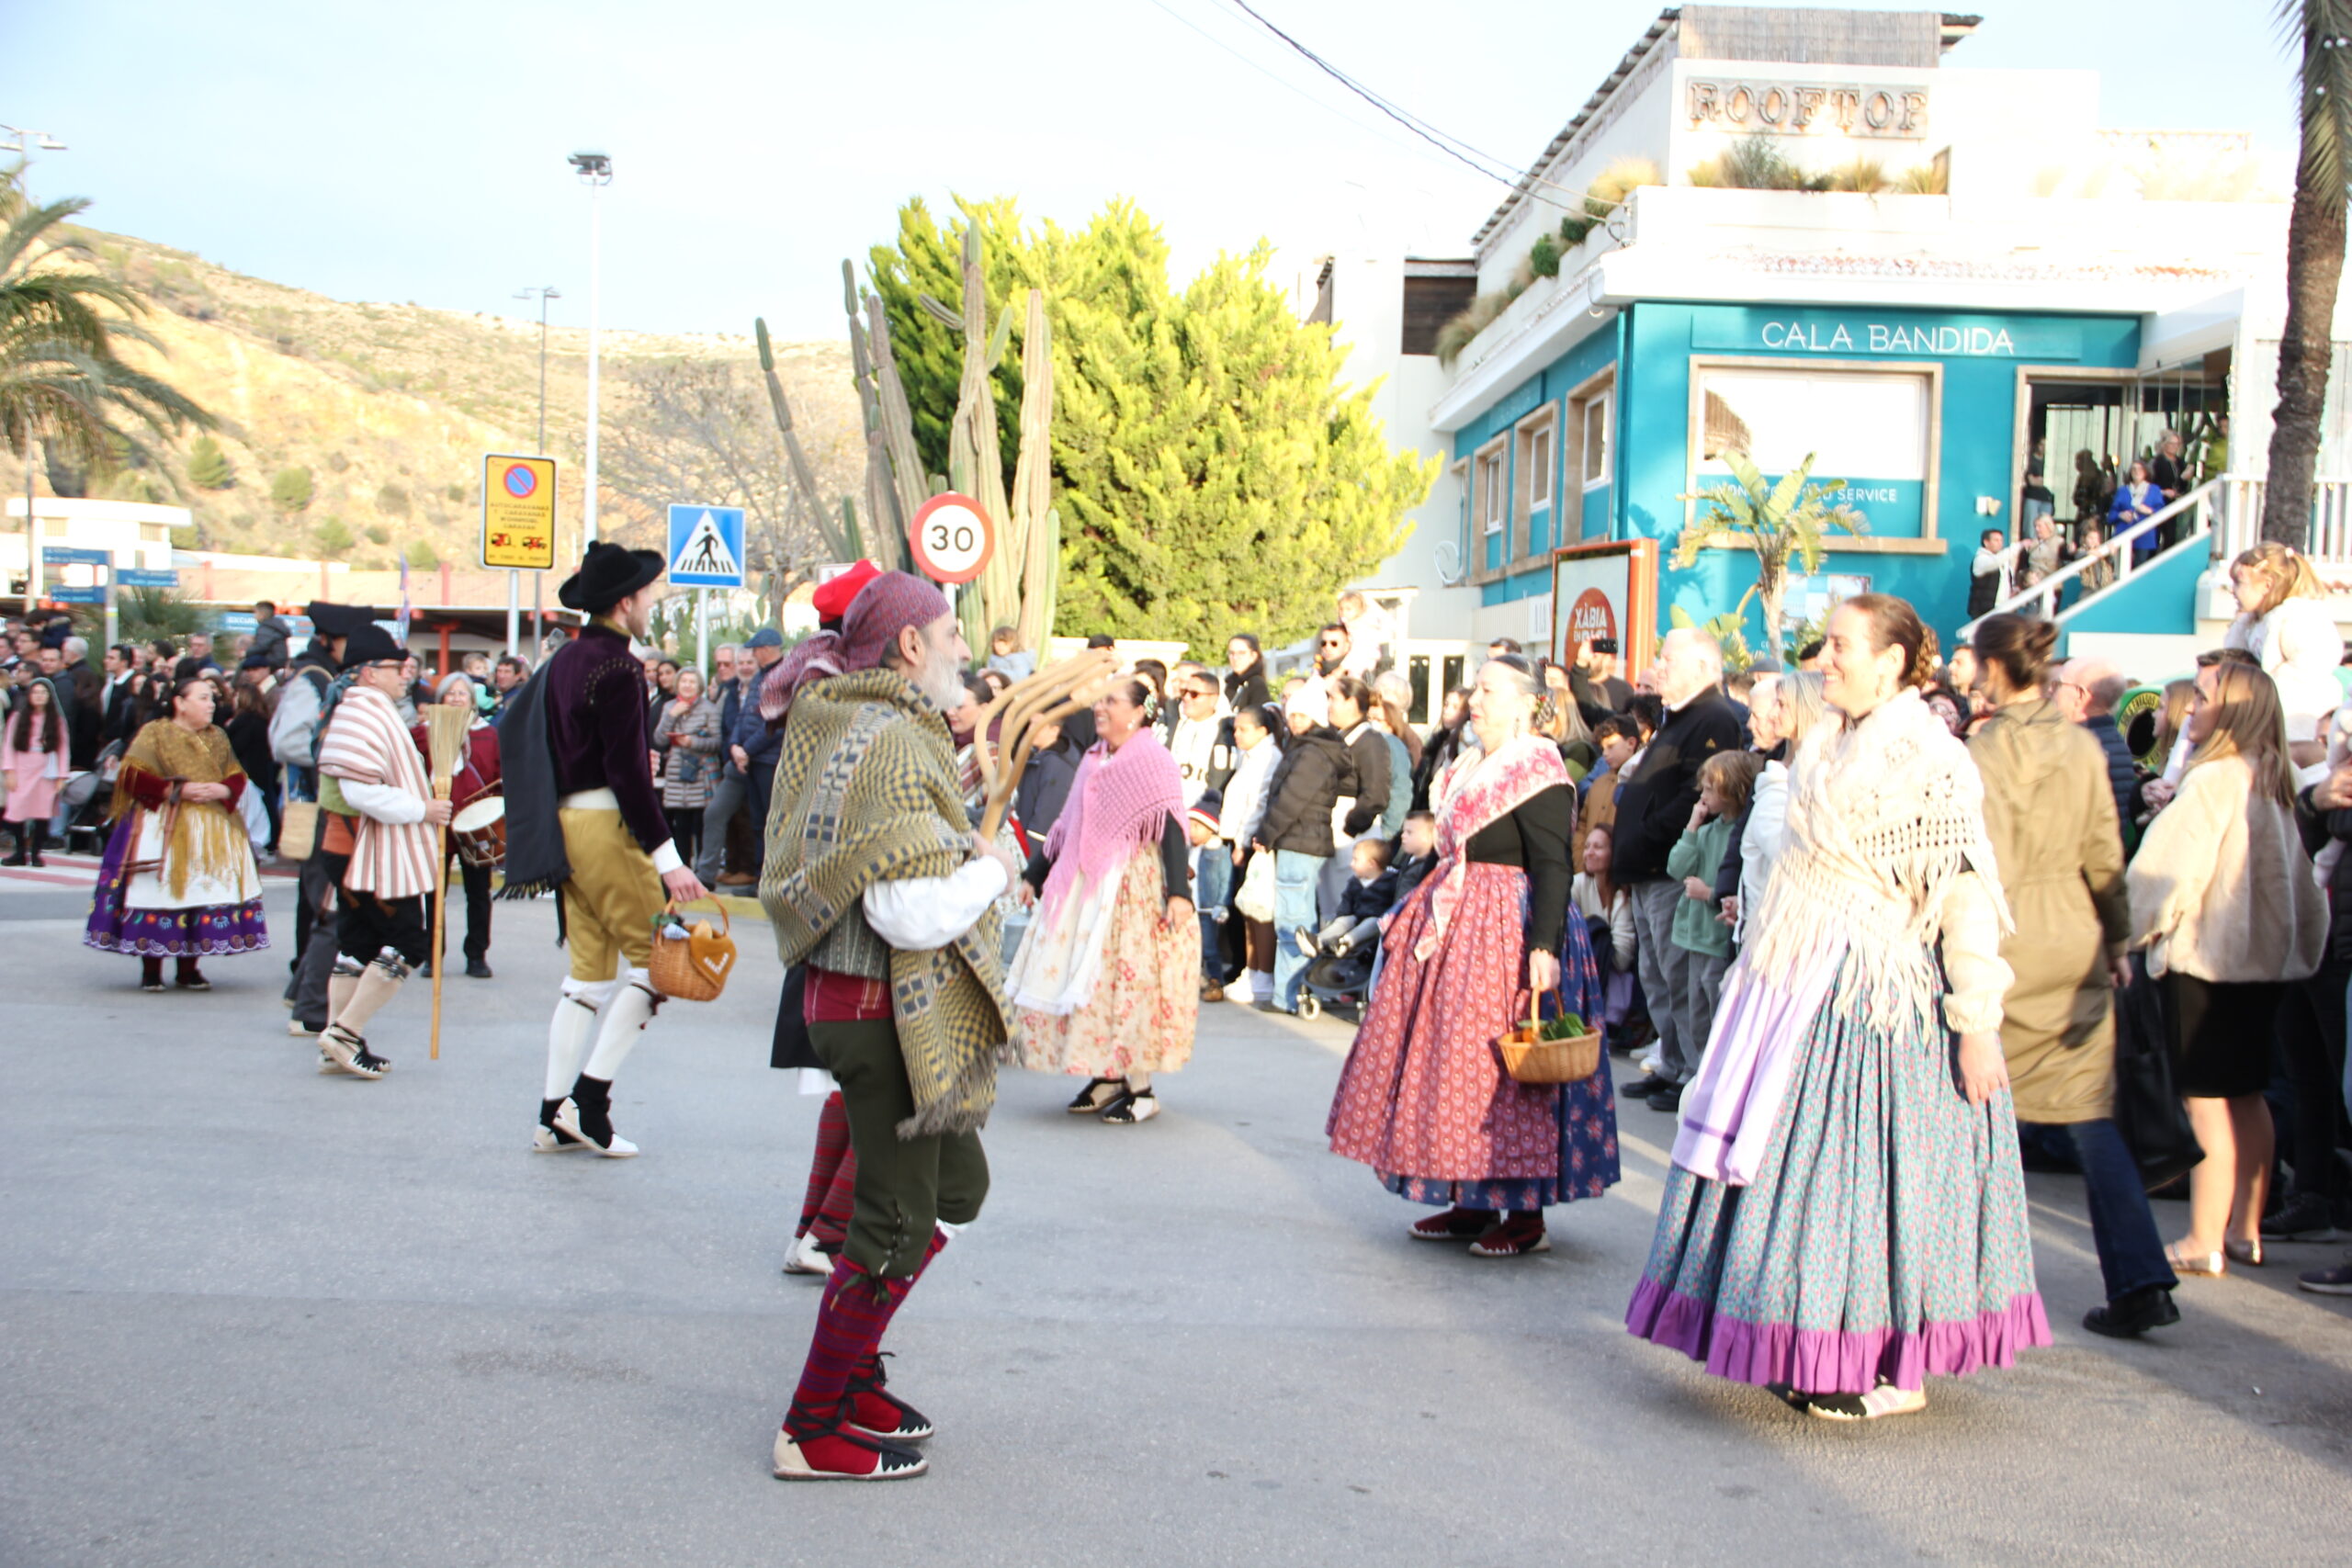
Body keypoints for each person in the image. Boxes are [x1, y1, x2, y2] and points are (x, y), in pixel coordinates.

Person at [1629, 594, 2050, 1421]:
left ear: (1893, 661)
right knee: (1800, 1180)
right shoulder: (1825, 743)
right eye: (1826, 644)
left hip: (1878, 1001)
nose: (1826, 659)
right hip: (1797, 986)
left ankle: (1894, 1367)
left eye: (1841, 645)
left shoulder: (1929, 757)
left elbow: (1964, 896)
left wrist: (1977, 1021)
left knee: (1869, 1187)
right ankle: (1815, 1340)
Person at [759, 569, 1017, 1483]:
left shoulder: (843, 720)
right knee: (895, 1222)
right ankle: (811, 1425)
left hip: (856, 1007)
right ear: (909, 645)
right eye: (949, 633)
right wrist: (997, 870)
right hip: (883, 1016)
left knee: (956, 1188)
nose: (961, 649)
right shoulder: (895, 741)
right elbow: (906, 915)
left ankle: (853, 1365)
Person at [1326, 656, 1618, 1258]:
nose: (1474, 700)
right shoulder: (1467, 764)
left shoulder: (1538, 768)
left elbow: (1552, 863)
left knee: (1509, 1072)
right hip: (1462, 922)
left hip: (1511, 924)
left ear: (1521, 703)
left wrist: (1544, 947)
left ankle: (1524, 1211)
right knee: (1456, 1065)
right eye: (1476, 689)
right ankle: (1470, 1198)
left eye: (1487, 690)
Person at [1968, 615, 2179, 1338]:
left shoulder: (1979, 751)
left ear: (1995, 670)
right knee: (2091, 1118)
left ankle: (1964, 1279)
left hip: (1997, 937)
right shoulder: (2084, 747)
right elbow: (2105, 853)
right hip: (2072, 936)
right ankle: (2140, 1278)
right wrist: (2115, 940)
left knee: (1972, 1112)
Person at [503, 542, 708, 1152]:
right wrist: (669, 861)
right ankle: (588, 1105)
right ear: (625, 603)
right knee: (658, 966)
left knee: (587, 978)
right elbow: (627, 774)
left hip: (565, 824)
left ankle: (551, 1114)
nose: (651, 605)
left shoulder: (565, 658)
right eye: (646, 596)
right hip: (607, 828)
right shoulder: (619, 669)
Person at [2127, 660, 2327, 1278]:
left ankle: (2202, 1237)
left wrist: (2130, 931)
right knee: (2247, 1094)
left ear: (2232, 708)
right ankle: (2243, 1229)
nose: (2193, 709)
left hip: (2207, 958)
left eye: (2206, 696)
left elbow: (2166, 875)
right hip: (2265, 964)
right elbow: (2304, 882)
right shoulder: (2277, 777)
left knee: (2205, 1099)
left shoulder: (2214, 779)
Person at [1008, 677, 1196, 1122]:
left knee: (1130, 983)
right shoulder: (1095, 759)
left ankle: (1142, 1087)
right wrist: (1036, 874)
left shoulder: (1153, 759)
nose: (1100, 707)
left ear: (1137, 712)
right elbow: (1068, 826)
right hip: (1086, 887)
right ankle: (1106, 1074)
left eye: (1111, 701)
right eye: (1100, 700)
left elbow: (1169, 826)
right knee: (1091, 982)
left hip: (1132, 887)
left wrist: (1178, 893)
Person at [309, 626, 451, 1075]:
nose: (404, 674)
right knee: (409, 940)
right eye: (395, 667)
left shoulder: (365, 708)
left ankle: (336, 1039)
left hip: (351, 846)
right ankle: (343, 1033)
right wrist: (422, 808)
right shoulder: (362, 713)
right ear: (368, 673)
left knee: (358, 942)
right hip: (362, 848)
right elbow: (359, 791)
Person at [1612, 629, 1745, 1112]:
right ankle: (1671, 1063)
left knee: (1681, 977)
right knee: (1657, 976)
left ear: (1704, 668)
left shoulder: (1715, 718)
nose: (1659, 667)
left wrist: (1645, 835)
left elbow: (1699, 796)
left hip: (1672, 868)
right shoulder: (1679, 716)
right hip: (1647, 870)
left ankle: (1691, 1071)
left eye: (1668, 659)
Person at [82, 673, 268, 989]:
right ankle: (151, 969)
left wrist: (222, 791)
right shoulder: (155, 733)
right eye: (203, 698)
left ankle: (188, 968)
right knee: (158, 890)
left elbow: (236, 774)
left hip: (209, 827)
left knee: (201, 892)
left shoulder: (217, 737)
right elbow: (131, 775)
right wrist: (174, 791)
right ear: (180, 703)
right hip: (161, 824)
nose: (211, 705)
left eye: (212, 698)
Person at [1660, 750, 1762, 1100]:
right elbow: (1677, 866)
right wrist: (1692, 825)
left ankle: (1715, 1084)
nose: (1702, 796)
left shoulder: (1741, 833)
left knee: (1715, 1012)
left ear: (1734, 791)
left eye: (1710, 790)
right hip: (1694, 937)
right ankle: (1700, 1077)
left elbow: (1738, 879)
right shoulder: (1708, 830)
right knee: (1695, 1013)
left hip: (1717, 938)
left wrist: (1710, 894)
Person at [1253, 687, 1355, 1014]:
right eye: (1292, 714)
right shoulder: (1312, 748)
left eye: (1302, 715)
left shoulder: (1311, 753)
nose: (1294, 721)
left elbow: (1290, 800)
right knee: (1297, 917)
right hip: (1302, 840)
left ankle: (1288, 994)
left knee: (1292, 921)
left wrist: (1266, 834)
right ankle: (1293, 991)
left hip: (1300, 841)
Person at [410, 672, 501, 980]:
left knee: (478, 891)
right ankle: (432, 954)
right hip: (437, 818)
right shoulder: (423, 733)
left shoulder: (487, 734)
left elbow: (499, 776)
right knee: (434, 892)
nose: (457, 699)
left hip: (475, 823)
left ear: (472, 701)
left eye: (463, 694)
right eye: (451, 694)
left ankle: (477, 954)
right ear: (441, 698)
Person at [2222, 542, 2344, 764]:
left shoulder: (2296, 618)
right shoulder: (2253, 625)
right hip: (2263, 721)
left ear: (2267, 585)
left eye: (2239, 583)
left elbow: (2313, 665)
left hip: (2295, 724)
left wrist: (2265, 694)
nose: (2233, 590)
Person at [1218, 702, 1283, 1003]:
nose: (1237, 735)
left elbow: (1257, 804)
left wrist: (1243, 843)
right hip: (1239, 841)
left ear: (1263, 730)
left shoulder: (1269, 757)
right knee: (1246, 909)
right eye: (1235, 729)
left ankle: (1262, 972)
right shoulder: (1250, 755)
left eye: (1244, 729)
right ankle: (1250, 968)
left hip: (1254, 843)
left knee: (1259, 910)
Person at [697, 630, 772, 889]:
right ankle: (705, 876)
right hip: (737, 763)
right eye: (740, 662)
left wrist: (746, 750)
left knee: (762, 823)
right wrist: (735, 750)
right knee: (716, 813)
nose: (745, 666)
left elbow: (774, 724)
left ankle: (760, 877)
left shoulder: (773, 681)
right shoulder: (732, 691)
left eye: (749, 661)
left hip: (763, 761)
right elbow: (735, 724)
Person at [2051, 658, 2141, 840]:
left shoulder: (2081, 748)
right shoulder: (2108, 739)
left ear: (2080, 695)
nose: (2050, 690)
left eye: (2057, 684)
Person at [652, 666, 723, 872]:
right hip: (676, 774)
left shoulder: (710, 709)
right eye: (684, 681)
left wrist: (691, 742)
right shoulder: (669, 707)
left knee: (700, 825)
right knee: (680, 826)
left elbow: (717, 742)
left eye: (692, 682)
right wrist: (672, 716)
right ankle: (681, 870)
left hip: (700, 773)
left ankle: (702, 873)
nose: (687, 685)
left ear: (699, 686)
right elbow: (658, 739)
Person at [3, 676, 67, 865]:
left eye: (43, 693)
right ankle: (19, 851)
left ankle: (36, 852)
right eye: (35, 693)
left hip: (46, 768)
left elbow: (63, 748)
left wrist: (62, 775)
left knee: (42, 812)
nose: (39, 696)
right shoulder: (17, 717)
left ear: (50, 696)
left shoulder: (56, 720)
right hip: (22, 766)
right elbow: (8, 745)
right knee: (16, 811)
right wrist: (9, 770)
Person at [1411, 686, 1472, 812]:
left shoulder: (1464, 746)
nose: (1447, 710)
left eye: (1455, 707)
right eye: (1446, 705)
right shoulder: (1438, 742)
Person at [2108, 461, 2164, 562]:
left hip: (2144, 536)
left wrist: (2149, 511)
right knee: (2122, 566)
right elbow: (2111, 515)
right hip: (2123, 534)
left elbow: (2161, 512)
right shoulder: (2123, 490)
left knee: (2139, 567)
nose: (2137, 472)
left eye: (2140, 469)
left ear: (2146, 472)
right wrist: (2120, 515)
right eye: (2134, 469)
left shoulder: (2154, 490)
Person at [1336, 590, 1396, 679]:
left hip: (1364, 660)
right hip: (1353, 660)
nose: (1344, 612)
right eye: (1341, 609)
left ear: (1359, 610)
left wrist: (1341, 667)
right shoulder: (1346, 624)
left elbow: (1357, 649)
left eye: (1348, 609)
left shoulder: (1361, 627)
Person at [1967, 528, 2021, 619]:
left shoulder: (2004, 561)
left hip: (2003, 609)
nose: (2000, 543)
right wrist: (2018, 546)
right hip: (1984, 611)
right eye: (1996, 540)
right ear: (1986, 542)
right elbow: (1994, 562)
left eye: (2001, 540)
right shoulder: (1980, 559)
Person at [1223, 633, 1270, 713]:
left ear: (1253, 656)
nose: (1235, 658)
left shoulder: (1256, 684)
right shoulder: (1229, 683)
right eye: (1232, 653)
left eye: (1241, 653)